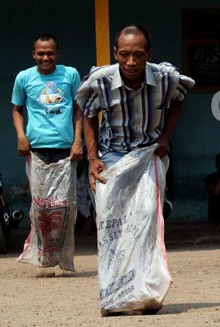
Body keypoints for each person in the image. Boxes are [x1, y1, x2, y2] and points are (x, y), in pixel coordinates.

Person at [75, 24, 195, 315]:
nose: (131, 62)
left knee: (145, 225)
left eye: (138, 55)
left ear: (148, 55)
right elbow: (88, 114)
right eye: (124, 55)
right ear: (115, 53)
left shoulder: (166, 78)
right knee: (113, 228)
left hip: (148, 155)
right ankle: (114, 298)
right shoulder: (100, 80)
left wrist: (166, 138)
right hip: (111, 158)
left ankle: (145, 294)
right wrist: (92, 159)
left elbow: (180, 100)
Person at [11, 33, 83, 272]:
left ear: (57, 54)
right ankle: (44, 256)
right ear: (34, 55)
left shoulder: (70, 75)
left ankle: (64, 259)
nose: (45, 57)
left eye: (50, 53)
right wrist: (22, 136)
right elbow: (17, 110)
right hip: (36, 150)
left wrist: (77, 141)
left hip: (65, 150)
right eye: (40, 53)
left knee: (65, 207)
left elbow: (78, 109)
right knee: (41, 207)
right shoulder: (24, 78)